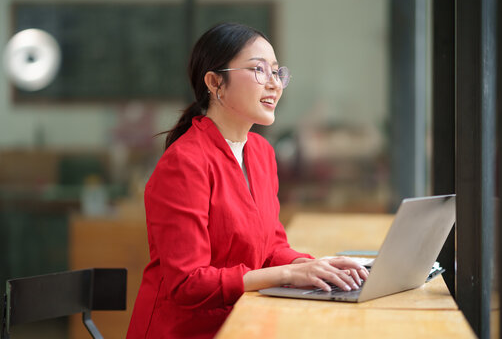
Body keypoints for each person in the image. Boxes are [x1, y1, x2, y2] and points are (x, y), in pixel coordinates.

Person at [127, 22, 369, 339]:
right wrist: (288, 274)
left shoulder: (261, 153)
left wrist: (315, 266)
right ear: (216, 83)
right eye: (259, 70)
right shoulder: (184, 164)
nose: (274, 84)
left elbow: (271, 247)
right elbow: (187, 284)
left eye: (277, 72)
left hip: (243, 322)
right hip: (186, 331)